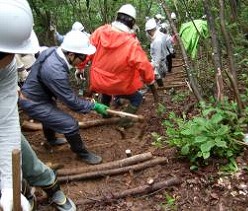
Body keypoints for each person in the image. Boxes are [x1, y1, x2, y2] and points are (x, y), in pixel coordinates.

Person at [0, 0, 75, 210]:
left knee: (24, 157)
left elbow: (5, 125)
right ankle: (24, 192)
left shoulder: (7, 67)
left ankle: (48, 187)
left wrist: (8, 188)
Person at [19, 30, 109, 165]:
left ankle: (51, 140)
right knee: (70, 124)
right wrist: (94, 106)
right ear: (71, 55)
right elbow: (71, 102)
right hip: (33, 101)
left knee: (51, 113)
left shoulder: (55, 51)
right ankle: (81, 153)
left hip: (38, 96)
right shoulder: (55, 71)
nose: (84, 60)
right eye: (83, 57)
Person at [79, 4, 155, 126]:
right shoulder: (131, 43)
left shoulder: (100, 31)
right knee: (137, 98)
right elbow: (144, 66)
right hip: (119, 85)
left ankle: (105, 114)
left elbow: (86, 51)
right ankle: (124, 123)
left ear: (117, 17)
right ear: (132, 22)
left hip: (98, 81)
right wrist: (150, 81)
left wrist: (80, 67)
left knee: (106, 91)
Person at [145, 18, 168, 87]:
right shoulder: (161, 35)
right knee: (156, 77)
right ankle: (161, 88)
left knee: (152, 75)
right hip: (162, 61)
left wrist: (152, 66)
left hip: (160, 63)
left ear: (150, 30)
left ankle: (158, 90)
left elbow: (157, 58)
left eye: (148, 31)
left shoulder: (157, 41)